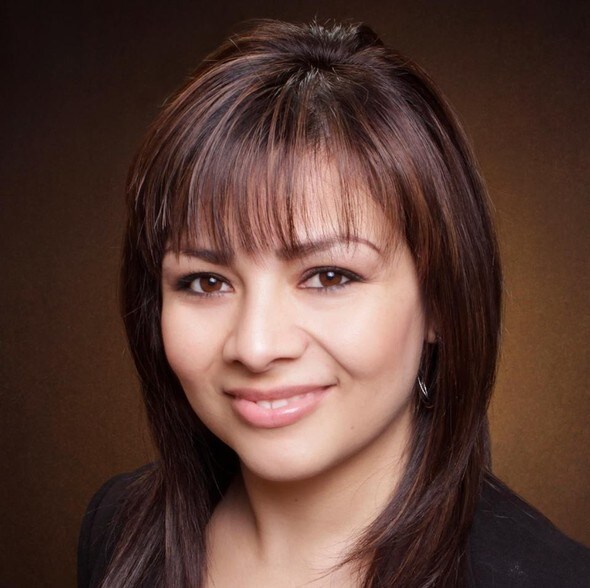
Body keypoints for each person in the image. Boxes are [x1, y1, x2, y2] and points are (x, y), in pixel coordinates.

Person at [77, 19, 589, 588]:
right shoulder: (118, 527)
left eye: (328, 276)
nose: (256, 346)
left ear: (441, 301)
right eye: (206, 282)